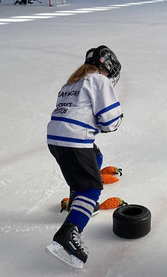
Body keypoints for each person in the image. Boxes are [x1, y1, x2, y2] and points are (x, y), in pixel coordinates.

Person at [46, 46, 123, 269]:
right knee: (92, 187)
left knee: (95, 155)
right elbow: (110, 121)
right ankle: (70, 232)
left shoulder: (72, 82)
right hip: (74, 138)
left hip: (55, 137)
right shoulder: (99, 80)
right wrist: (115, 120)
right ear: (106, 68)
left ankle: (78, 200)